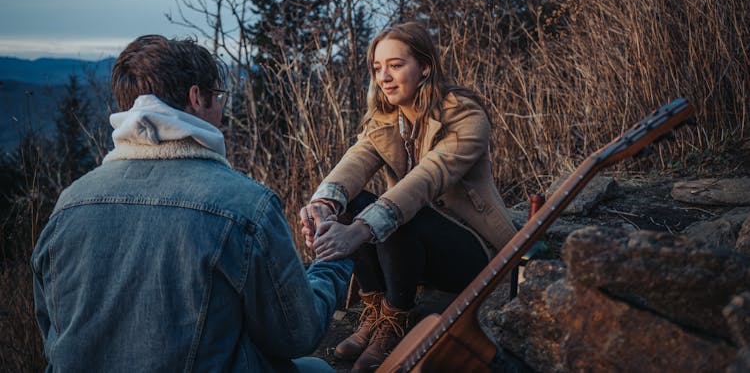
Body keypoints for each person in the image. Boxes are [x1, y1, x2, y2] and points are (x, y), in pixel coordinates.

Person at [31, 35, 352, 372]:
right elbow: (296, 335)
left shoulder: (68, 204)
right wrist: (333, 263)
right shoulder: (245, 205)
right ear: (196, 98)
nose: (221, 109)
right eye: (219, 97)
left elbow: (52, 331)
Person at [299, 22, 517, 371]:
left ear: (425, 67)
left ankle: (396, 321)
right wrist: (323, 205)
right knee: (352, 204)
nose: (384, 76)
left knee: (395, 215)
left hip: (471, 249)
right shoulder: (386, 119)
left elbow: (425, 180)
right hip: (414, 251)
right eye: (377, 68)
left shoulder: (465, 116)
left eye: (396, 65)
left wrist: (357, 231)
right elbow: (354, 162)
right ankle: (377, 311)